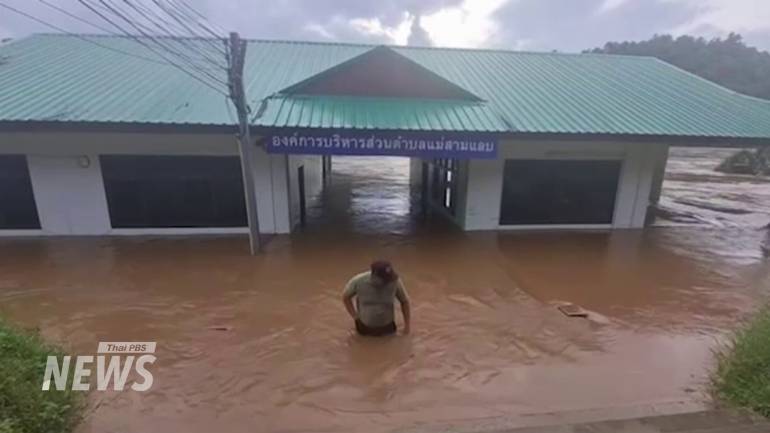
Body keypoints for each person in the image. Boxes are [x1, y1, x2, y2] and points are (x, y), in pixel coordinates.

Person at [342, 260, 411, 336]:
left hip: (388, 328)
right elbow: (346, 297)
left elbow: (405, 301)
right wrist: (355, 316)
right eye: (384, 279)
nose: (387, 282)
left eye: (388, 279)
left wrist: (407, 326)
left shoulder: (394, 282)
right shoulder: (358, 281)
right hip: (363, 327)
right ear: (374, 275)